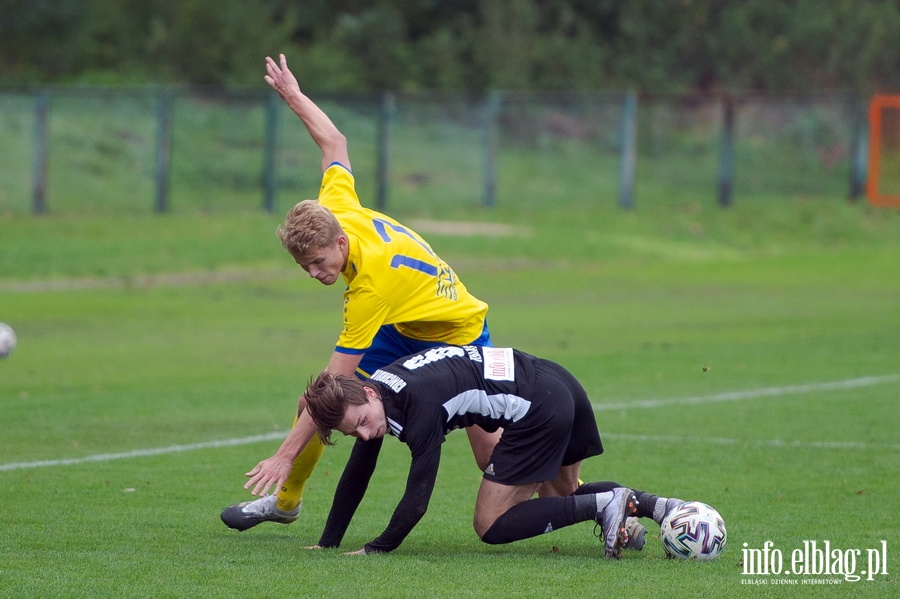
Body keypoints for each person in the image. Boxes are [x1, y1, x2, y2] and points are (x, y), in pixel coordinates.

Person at [220, 54, 500, 531]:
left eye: (319, 263)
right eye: (304, 266)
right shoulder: (334, 207)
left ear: (341, 243)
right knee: (315, 405)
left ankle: (585, 499)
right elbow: (333, 141)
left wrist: (282, 453)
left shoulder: (370, 286)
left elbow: (332, 383)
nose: (313, 273)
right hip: (404, 324)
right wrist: (293, 95)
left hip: (458, 335)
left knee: (491, 456)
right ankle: (285, 503)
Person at [303, 344, 692, 558]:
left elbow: (417, 501)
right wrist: (329, 541)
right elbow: (358, 471)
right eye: (353, 432)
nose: (367, 434)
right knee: (561, 497)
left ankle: (608, 503)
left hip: (539, 406)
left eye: (362, 422)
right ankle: (657, 506)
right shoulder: (382, 389)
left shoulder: (418, 408)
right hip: (557, 381)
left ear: (368, 392)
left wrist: (377, 548)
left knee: (490, 524)